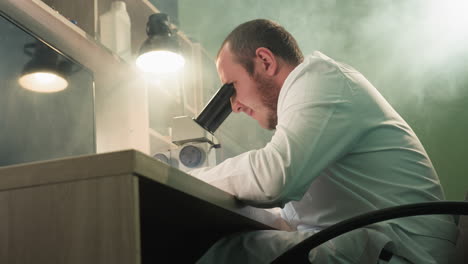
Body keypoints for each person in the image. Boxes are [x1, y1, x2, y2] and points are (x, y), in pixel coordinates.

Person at [189, 19, 458, 263]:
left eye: (232, 86)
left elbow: (274, 177)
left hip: (407, 253)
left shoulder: (318, 78)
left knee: (231, 254)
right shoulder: (312, 102)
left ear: (265, 61)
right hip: (389, 245)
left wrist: (189, 178)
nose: (234, 106)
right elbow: (297, 215)